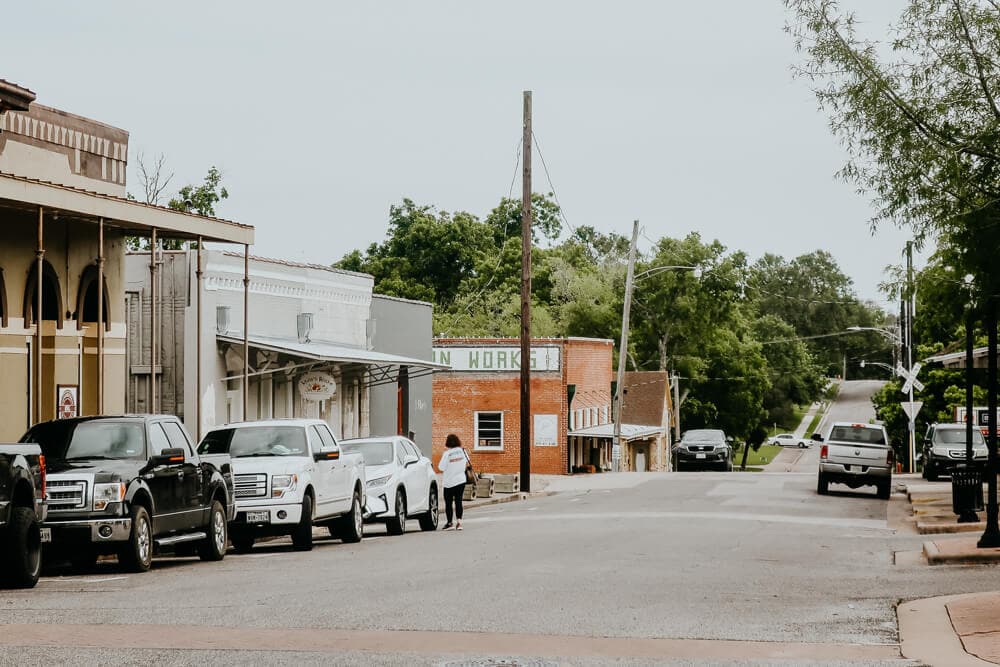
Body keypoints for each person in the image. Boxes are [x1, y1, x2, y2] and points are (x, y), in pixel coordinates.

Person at [437, 433, 469, 531]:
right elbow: (467, 462)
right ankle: (459, 523)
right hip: (461, 480)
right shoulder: (463, 451)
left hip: (449, 482)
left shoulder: (447, 454)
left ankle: (450, 523)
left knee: (448, 503)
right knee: (459, 501)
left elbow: (441, 467)